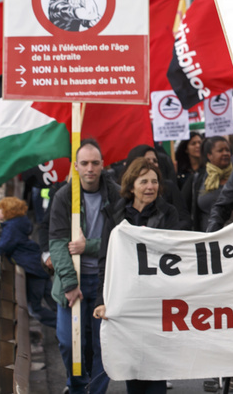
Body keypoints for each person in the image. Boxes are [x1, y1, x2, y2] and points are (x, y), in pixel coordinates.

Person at [94, 158, 183, 394]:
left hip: (157, 301)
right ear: (131, 185)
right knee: (132, 369)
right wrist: (101, 301)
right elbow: (106, 260)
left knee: (155, 370)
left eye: (154, 181)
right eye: (144, 181)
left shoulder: (169, 213)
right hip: (128, 301)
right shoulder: (114, 214)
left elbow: (174, 255)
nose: (150, 187)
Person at [48, 139, 120, 394]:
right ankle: (77, 386)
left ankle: (96, 391)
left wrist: (87, 245)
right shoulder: (64, 196)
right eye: (85, 163)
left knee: (103, 344)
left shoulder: (116, 194)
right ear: (75, 166)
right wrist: (69, 283)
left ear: (103, 165)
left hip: (105, 281)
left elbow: (120, 239)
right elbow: (57, 243)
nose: (90, 168)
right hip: (73, 281)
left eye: (95, 163)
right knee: (70, 342)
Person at [0, 196, 56, 327]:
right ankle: (71, 326)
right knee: (55, 302)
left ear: (8, 211)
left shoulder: (11, 228)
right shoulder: (19, 223)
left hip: (33, 270)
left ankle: (62, 327)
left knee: (35, 309)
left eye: (0, 209)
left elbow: (2, 247)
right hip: (39, 266)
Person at [183, 136, 233, 232]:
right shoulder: (197, 179)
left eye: (227, 150)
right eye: (220, 150)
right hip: (206, 237)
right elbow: (184, 208)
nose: (225, 153)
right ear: (209, 155)